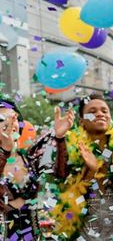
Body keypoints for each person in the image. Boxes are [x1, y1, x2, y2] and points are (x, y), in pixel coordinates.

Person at [52, 94, 113, 240]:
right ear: (82, 122)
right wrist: (91, 171)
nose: (100, 114)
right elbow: (71, 203)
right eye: (92, 112)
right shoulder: (71, 149)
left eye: (104, 111)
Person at [0, 98, 58, 240]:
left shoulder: (30, 158)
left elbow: (59, 172)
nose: (9, 124)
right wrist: (5, 151)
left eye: (13, 118)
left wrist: (59, 137)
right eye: (2, 119)